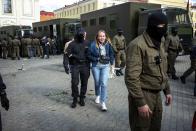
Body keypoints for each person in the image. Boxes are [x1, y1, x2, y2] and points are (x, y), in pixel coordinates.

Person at [125, 12, 172, 131]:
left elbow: (162, 69)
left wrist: (167, 90)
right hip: (143, 94)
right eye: (161, 26)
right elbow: (131, 78)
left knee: (156, 127)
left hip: (157, 95)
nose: (164, 29)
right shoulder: (137, 45)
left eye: (165, 26)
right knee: (141, 128)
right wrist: (140, 103)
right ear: (152, 26)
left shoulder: (160, 42)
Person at [88, 30, 114, 111]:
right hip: (96, 66)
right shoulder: (92, 45)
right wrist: (97, 58)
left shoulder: (108, 44)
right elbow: (88, 55)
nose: (102, 37)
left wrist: (112, 64)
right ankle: (97, 95)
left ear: (105, 36)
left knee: (104, 83)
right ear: (97, 37)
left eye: (103, 36)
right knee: (97, 82)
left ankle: (103, 103)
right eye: (100, 36)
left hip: (105, 66)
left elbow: (111, 54)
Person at [67, 28, 90, 108]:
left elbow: (89, 53)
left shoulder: (87, 43)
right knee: (74, 83)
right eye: (80, 34)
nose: (81, 36)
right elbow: (68, 54)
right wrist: (67, 64)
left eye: (82, 34)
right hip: (75, 65)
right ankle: (75, 99)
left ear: (84, 35)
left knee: (84, 82)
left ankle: (82, 98)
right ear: (77, 34)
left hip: (85, 65)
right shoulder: (72, 44)